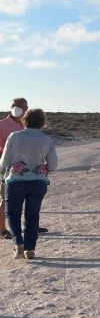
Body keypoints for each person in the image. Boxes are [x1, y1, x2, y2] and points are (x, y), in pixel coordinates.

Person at [0, 108, 57, 259]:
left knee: (13, 213)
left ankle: (18, 243)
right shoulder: (47, 140)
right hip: (38, 182)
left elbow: (4, 162)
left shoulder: (14, 136)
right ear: (42, 122)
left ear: (24, 120)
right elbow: (53, 165)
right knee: (32, 214)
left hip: (16, 181)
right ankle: (30, 248)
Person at [1, 98, 48, 238]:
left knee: (30, 199)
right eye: (21, 107)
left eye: (26, 108)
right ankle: (2, 229)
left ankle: (31, 226)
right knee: (5, 199)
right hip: (8, 169)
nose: (24, 110)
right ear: (13, 107)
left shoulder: (27, 125)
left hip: (29, 170)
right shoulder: (2, 125)